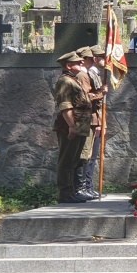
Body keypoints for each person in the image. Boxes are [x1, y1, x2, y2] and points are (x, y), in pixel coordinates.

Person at [52, 51, 93, 203]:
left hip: (80, 126)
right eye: (78, 62)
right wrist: (71, 126)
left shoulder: (74, 80)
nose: (82, 63)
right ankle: (65, 193)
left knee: (74, 161)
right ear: (68, 65)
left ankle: (72, 191)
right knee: (66, 160)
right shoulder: (65, 82)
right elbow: (65, 106)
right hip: (71, 127)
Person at [78, 45, 109, 198]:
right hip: (89, 120)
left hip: (95, 120)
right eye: (101, 57)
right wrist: (100, 93)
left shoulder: (95, 75)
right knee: (86, 155)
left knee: (92, 155)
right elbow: (87, 98)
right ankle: (83, 187)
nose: (104, 60)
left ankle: (88, 186)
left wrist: (102, 123)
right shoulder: (84, 76)